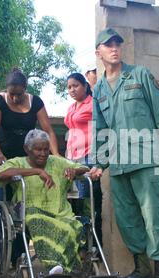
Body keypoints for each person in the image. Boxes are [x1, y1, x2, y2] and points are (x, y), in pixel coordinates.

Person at [89, 28, 159, 278]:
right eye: (108, 45)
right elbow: (100, 130)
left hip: (146, 160)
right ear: (99, 52)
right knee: (128, 221)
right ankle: (141, 271)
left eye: (117, 43)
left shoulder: (140, 75)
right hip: (118, 166)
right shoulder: (98, 91)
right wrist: (100, 163)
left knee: (153, 218)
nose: (114, 48)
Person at [0, 68, 60, 267]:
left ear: (25, 89)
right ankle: (7, 256)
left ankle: (23, 253)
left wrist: (55, 156)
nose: (14, 97)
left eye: (18, 94)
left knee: (27, 205)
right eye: (11, 93)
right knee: (6, 206)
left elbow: (48, 130)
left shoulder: (35, 102)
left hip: (30, 160)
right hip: (7, 161)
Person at [0, 129, 89, 275]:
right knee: (36, 220)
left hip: (59, 212)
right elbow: (1, 174)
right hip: (30, 210)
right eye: (38, 149)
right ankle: (54, 266)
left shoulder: (56, 162)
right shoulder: (18, 162)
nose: (43, 153)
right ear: (27, 149)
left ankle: (61, 267)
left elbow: (84, 168)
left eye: (46, 149)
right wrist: (36, 171)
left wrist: (74, 171)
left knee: (73, 227)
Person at [64, 73, 103, 249]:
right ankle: (81, 246)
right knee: (76, 203)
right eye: (69, 87)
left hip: (88, 157)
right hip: (72, 159)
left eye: (76, 86)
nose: (72, 89)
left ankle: (94, 246)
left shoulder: (93, 104)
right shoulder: (72, 107)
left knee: (89, 202)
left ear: (85, 86)